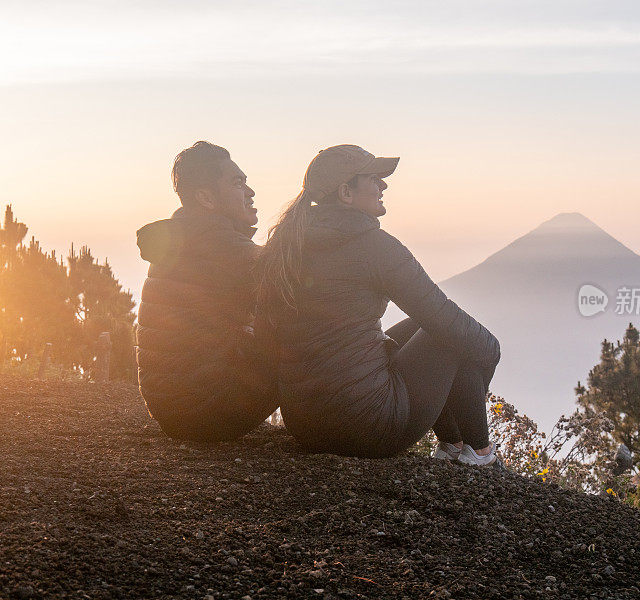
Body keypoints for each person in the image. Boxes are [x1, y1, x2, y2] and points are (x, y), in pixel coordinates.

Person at [257, 144, 502, 467]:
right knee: (452, 335)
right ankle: (479, 455)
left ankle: (453, 444)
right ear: (346, 192)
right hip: (368, 427)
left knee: (422, 328)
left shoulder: (284, 244)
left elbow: (266, 335)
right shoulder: (375, 247)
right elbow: (447, 322)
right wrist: (491, 353)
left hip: (305, 425)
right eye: (373, 178)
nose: (383, 186)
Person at [136, 141, 278, 441]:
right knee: (313, 336)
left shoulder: (185, 236)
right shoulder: (218, 242)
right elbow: (297, 286)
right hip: (207, 412)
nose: (250, 192)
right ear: (205, 198)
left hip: (175, 410)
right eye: (238, 183)